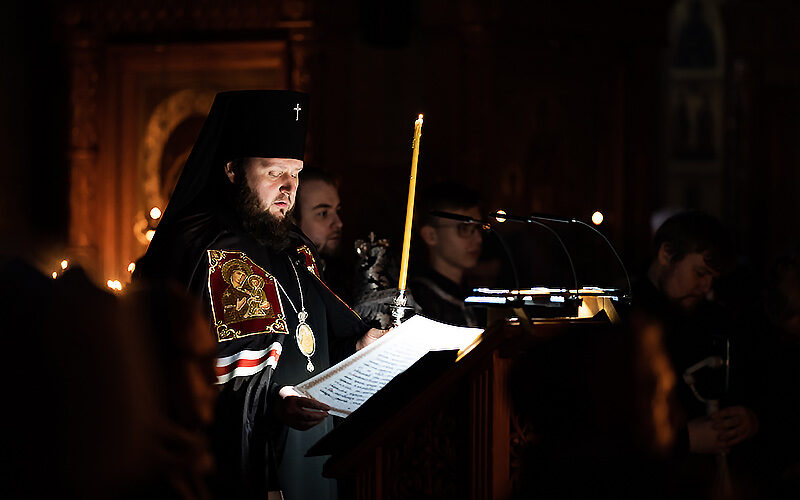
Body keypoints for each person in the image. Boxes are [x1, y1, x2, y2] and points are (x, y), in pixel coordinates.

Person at [134, 90, 385, 500]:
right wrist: (273, 404)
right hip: (253, 463)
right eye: (273, 173)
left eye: (296, 173)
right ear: (233, 170)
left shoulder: (291, 247)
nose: (289, 188)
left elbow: (312, 337)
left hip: (314, 448)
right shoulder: (202, 246)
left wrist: (357, 345)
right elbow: (188, 376)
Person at [632, 210, 759, 497]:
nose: (706, 287)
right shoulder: (623, 320)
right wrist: (684, 439)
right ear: (666, 254)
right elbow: (609, 426)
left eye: (713, 278)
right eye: (700, 273)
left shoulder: (717, 318)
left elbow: (753, 381)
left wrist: (749, 419)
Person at [408, 181, 484, 327]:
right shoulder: (419, 301)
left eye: (478, 228)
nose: (478, 239)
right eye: (464, 228)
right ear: (431, 235)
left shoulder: (476, 296)